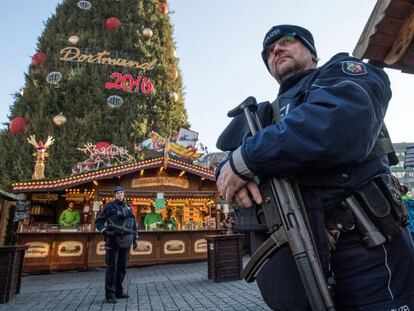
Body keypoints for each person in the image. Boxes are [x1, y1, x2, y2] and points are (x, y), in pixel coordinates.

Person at [216, 24, 414, 310]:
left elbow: (337, 123)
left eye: (287, 42)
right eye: (269, 52)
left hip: (370, 251)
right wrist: (233, 167)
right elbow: (227, 164)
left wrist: (247, 159)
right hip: (304, 257)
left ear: (312, 53)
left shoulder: (344, 73)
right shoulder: (265, 117)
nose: (277, 50)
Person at [95, 186, 138, 304]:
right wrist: (105, 231)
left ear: (124, 194)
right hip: (113, 240)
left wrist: (135, 238)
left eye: (122, 192)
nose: (120, 195)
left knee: (122, 267)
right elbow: (98, 222)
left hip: (126, 240)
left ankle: (119, 291)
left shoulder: (128, 207)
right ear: (115, 195)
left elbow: (133, 224)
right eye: (118, 193)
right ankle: (110, 294)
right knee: (112, 268)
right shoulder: (109, 206)